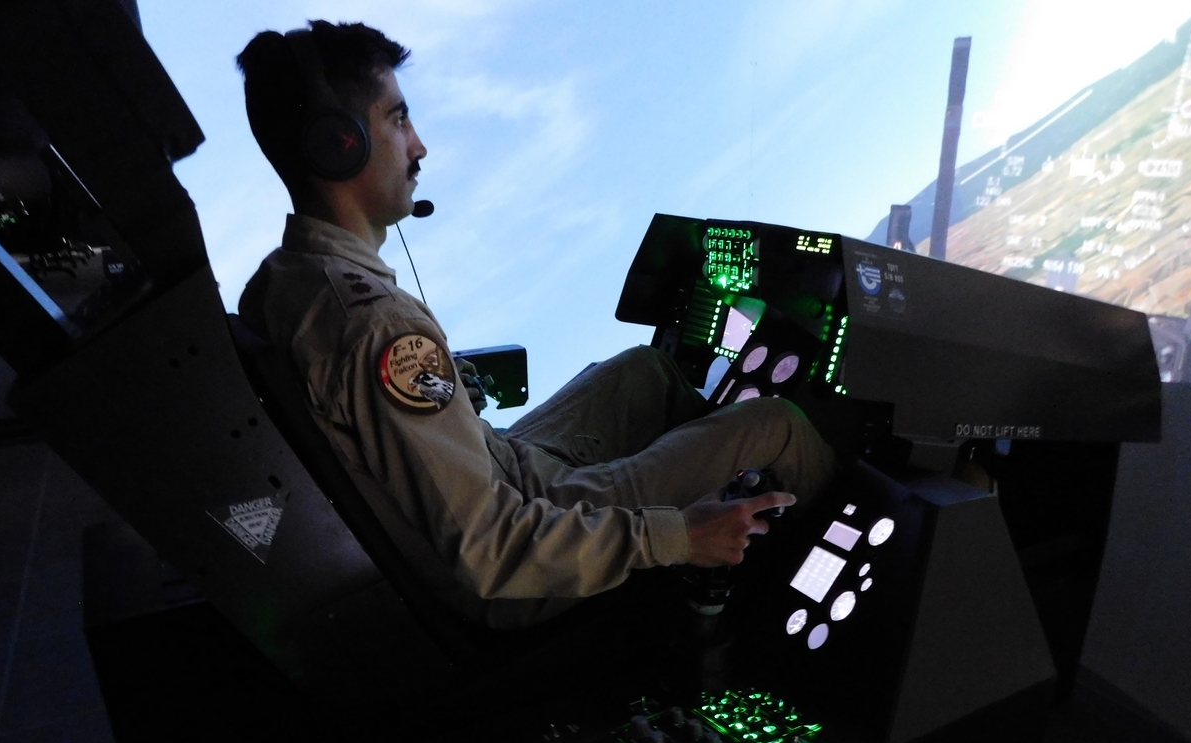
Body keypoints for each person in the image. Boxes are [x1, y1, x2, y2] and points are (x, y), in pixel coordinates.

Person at [235, 21, 836, 628]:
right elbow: (491, 548)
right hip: (520, 552)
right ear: (339, 144)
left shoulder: (287, 280)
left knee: (646, 372)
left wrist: (448, 399)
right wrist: (680, 535)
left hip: (502, 471)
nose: (419, 146)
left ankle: (700, 475)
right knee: (777, 425)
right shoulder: (376, 326)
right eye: (398, 119)